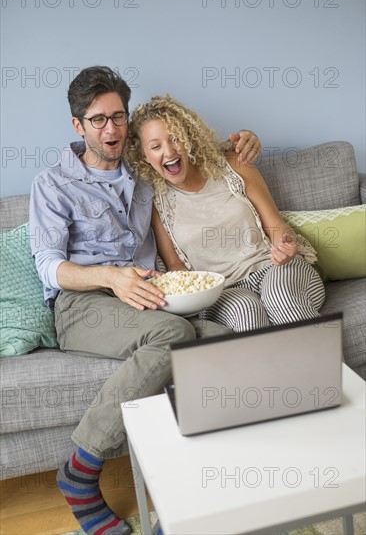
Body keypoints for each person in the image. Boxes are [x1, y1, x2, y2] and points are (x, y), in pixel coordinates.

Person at [29, 66, 261, 535]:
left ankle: (192, 496)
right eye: (98, 120)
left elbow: (187, 150)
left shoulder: (142, 167)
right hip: (83, 305)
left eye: (118, 117)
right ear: (78, 125)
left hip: (148, 299)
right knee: (176, 333)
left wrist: (243, 143)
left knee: (222, 341)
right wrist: (110, 277)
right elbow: (49, 266)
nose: (111, 129)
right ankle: (80, 472)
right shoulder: (51, 184)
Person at [124, 94, 326, 333]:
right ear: (144, 156)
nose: (168, 152)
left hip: (275, 269)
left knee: (280, 297)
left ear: (188, 138)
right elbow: (175, 265)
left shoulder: (234, 166)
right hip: (222, 292)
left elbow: (276, 227)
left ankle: (328, 370)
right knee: (246, 312)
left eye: (175, 138)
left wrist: (286, 245)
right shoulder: (155, 201)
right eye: (156, 146)